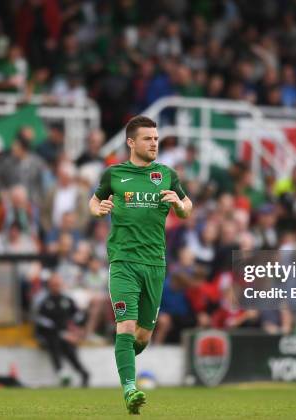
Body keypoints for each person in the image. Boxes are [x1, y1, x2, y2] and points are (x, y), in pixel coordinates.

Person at [89, 115, 192, 414]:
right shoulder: (114, 174)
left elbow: (187, 207)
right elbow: (94, 201)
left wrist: (179, 205)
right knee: (126, 325)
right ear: (131, 142)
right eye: (148, 138)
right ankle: (130, 389)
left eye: (156, 139)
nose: (154, 143)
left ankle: (125, 362)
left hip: (155, 264)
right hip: (123, 262)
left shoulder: (168, 175)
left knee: (142, 335)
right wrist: (99, 210)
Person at [33, 272, 89, 387]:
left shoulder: (67, 300)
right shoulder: (43, 300)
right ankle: (61, 372)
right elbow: (40, 320)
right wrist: (62, 333)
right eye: (53, 285)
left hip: (66, 334)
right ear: (49, 285)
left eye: (58, 284)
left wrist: (76, 330)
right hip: (48, 334)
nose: (56, 287)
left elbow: (79, 316)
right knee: (55, 341)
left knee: (68, 347)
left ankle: (82, 373)